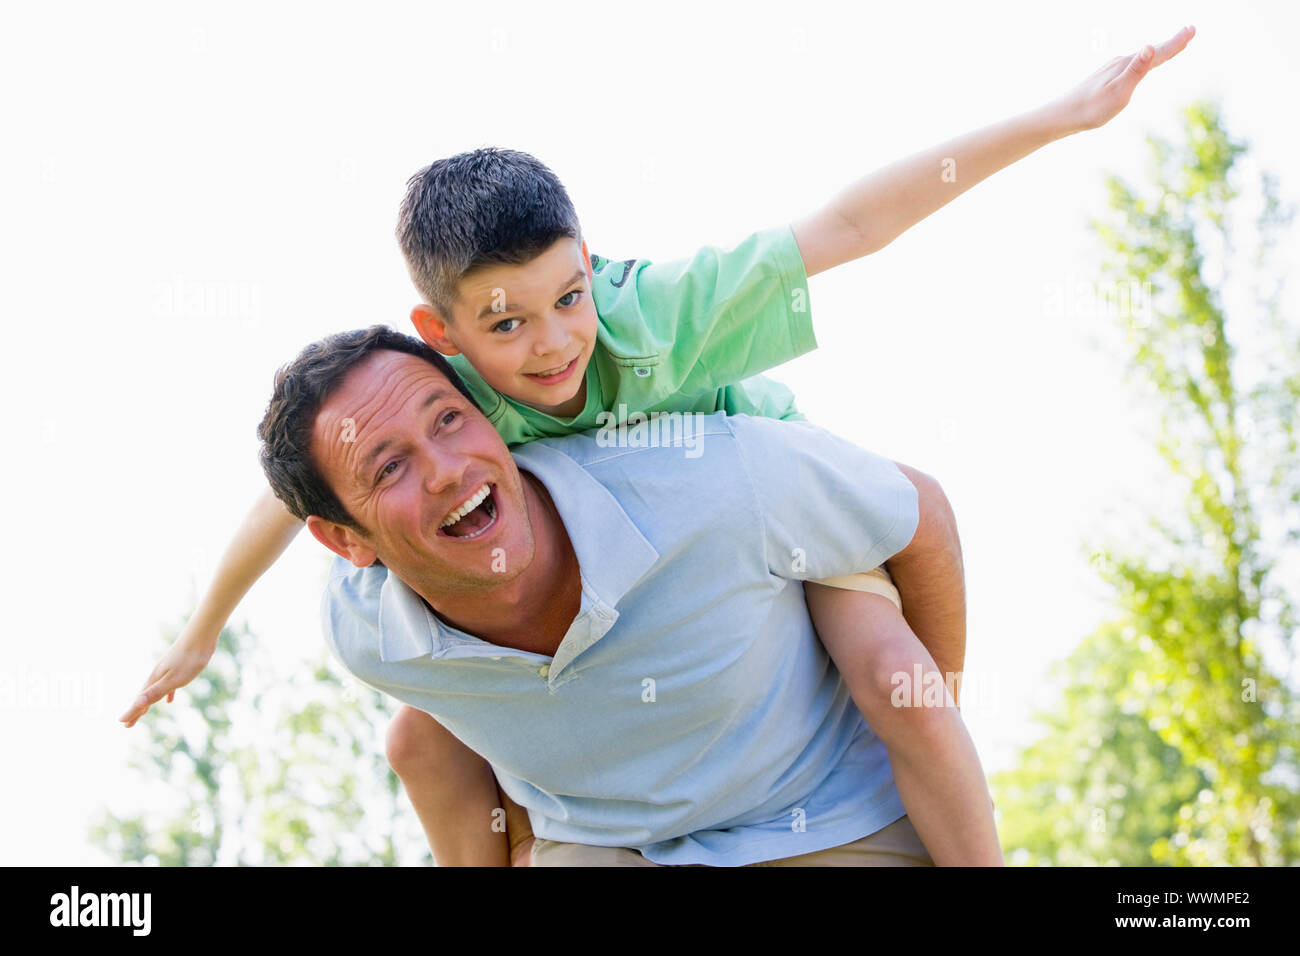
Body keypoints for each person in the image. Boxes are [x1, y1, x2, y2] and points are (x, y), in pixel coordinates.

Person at [123, 25, 1196, 866]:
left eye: (568, 296)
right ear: (441, 334)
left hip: (767, 517)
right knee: (415, 737)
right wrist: (203, 629)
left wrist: (1062, 117)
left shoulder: (657, 313)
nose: (553, 347)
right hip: (618, 599)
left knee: (889, 673)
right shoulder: (438, 408)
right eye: (506, 325)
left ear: (590, 260)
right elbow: (300, 491)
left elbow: (851, 225)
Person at [260, 324, 961, 866]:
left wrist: (938, 722)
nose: (446, 471)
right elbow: (450, 725)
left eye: (447, 419)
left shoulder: (716, 480)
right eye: (390, 467)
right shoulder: (364, 631)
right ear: (346, 543)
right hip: (609, 844)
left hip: (822, 818)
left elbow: (920, 514)